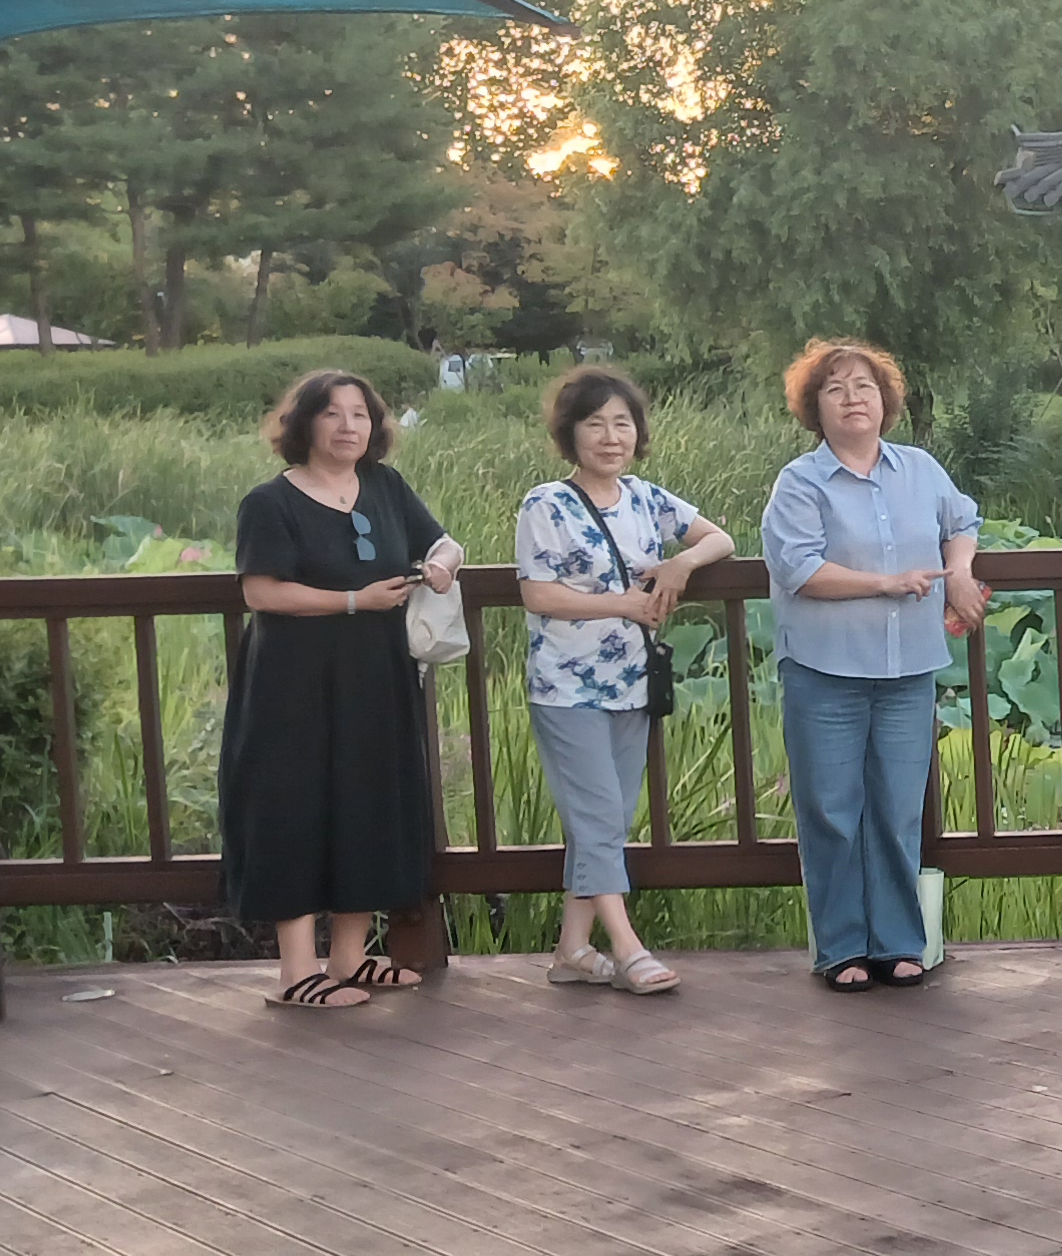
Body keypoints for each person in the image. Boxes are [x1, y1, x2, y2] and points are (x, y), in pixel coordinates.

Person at [225, 369, 465, 1010]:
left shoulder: (385, 486)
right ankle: (296, 973)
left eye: (359, 414)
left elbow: (444, 541)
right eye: (332, 413)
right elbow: (262, 592)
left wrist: (441, 565)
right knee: (294, 809)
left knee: (367, 802)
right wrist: (355, 600)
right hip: (292, 683)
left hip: (374, 676)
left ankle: (350, 958)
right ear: (304, 423)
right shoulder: (269, 503)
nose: (348, 426)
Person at [761, 339, 982, 992]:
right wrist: (885, 583)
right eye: (835, 389)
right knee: (831, 810)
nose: (852, 398)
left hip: (908, 668)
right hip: (824, 669)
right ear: (815, 408)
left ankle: (898, 942)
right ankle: (841, 948)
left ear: (885, 401)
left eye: (864, 386)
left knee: (896, 809)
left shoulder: (920, 469)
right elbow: (799, 568)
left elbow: (962, 521)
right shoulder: (800, 482)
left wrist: (959, 571)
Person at [514, 367, 734, 999]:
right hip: (566, 686)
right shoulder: (545, 504)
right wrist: (623, 605)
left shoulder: (645, 498)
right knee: (597, 815)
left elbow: (719, 538)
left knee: (607, 818)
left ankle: (572, 950)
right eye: (595, 424)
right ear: (570, 434)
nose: (611, 437)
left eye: (622, 423)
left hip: (633, 682)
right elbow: (538, 593)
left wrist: (680, 563)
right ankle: (628, 947)